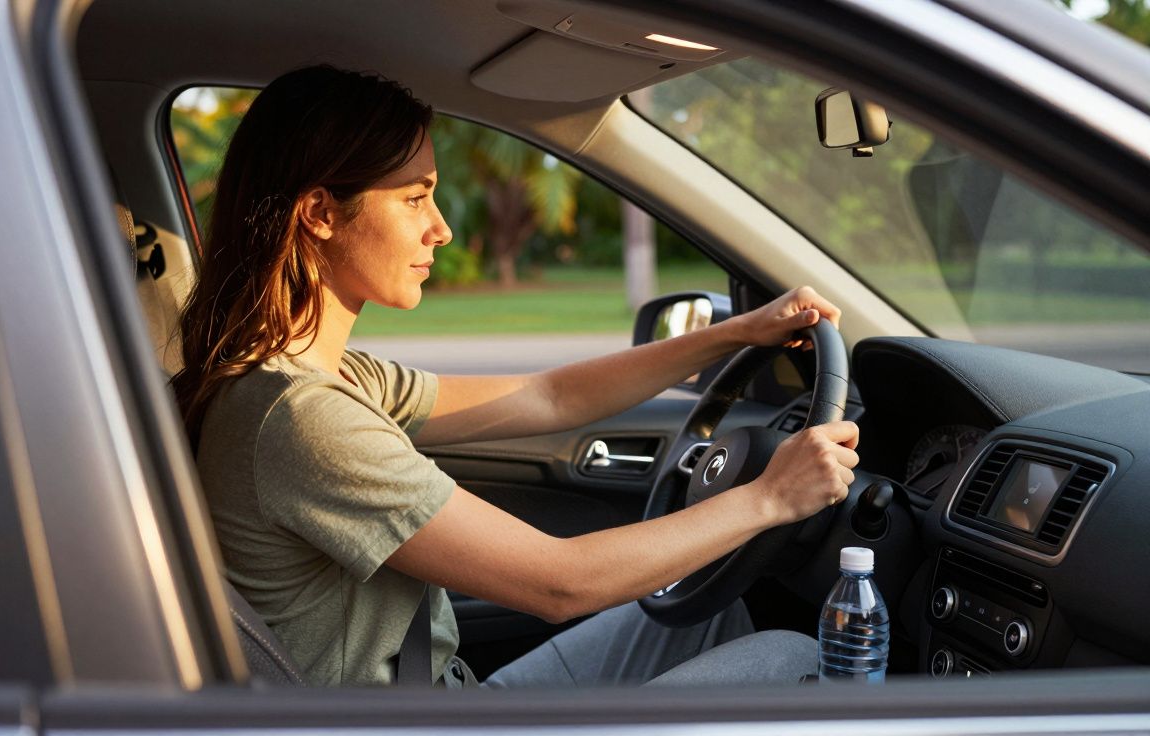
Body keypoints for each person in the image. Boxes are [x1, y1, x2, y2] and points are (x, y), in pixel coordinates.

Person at [173, 65, 860, 689]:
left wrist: (737, 331)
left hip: (447, 694)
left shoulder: (324, 378)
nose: (441, 228)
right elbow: (558, 585)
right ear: (321, 214)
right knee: (794, 663)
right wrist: (770, 498)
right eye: (415, 198)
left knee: (711, 619)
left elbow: (547, 396)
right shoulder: (301, 418)